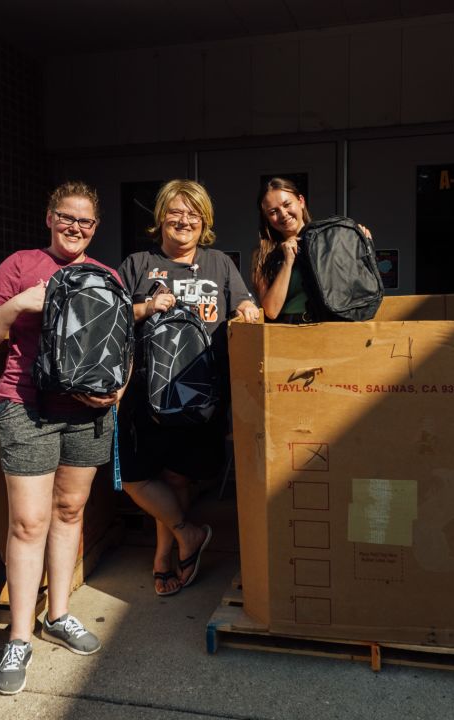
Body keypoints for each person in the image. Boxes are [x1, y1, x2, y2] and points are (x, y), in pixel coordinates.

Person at [0, 181, 127, 696]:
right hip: (27, 406)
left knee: (69, 512)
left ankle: (57, 614)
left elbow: (120, 348)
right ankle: (18, 636)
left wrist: (117, 391)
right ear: (49, 217)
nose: (76, 227)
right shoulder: (20, 265)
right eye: (67, 217)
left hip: (87, 414)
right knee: (28, 521)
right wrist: (19, 303)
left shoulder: (105, 276)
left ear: (95, 227)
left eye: (85, 221)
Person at [117, 179, 259, 597]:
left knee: (177, 477)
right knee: (135, 476)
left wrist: (248, 307)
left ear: (205, 222)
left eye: (193, 214)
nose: (184, 220)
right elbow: (113, 320)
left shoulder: (218, 264)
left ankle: (165, 555)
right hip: (146, 390)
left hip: (199, 392)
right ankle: (187, 533)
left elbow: (243, 305)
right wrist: (145, 307)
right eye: (176, 212)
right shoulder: (138, 264)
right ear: (161, 218)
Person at [250, 177, 371, 323]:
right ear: (267, 218)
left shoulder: (329, 240)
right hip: (286, 333)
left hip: (329, 328)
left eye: (287, 204)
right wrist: (288, 262)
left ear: (301, 201)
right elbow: (271, 311)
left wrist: (360, 245)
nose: (283, 214)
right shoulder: (263, 254)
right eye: (273, 211)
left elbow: (357, 288)